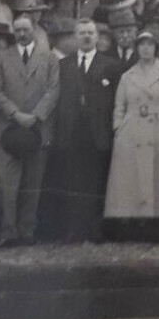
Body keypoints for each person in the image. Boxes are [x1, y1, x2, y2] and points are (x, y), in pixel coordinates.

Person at [105, 31, 159, 234]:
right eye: (141, 45)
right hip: (133, 131)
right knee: (134, 177)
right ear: (136, 48)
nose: (145, 48)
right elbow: (119, 104)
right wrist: (119, 125)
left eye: (150, 44)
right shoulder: (127, 76)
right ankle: (137, 222)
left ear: (156, 48)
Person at [0, 14, 61, 246]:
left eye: (25, 29)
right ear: (13, 32)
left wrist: (35, 115)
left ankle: (27, 232)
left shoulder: (49, 58)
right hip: (8, 129)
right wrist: (15, 114)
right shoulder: (1, 58)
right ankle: (8, 233)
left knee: (33, 184)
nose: (21, 34)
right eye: (17, 30)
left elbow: (54, 90)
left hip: (37, 129)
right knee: (6, 186)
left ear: (33, 30)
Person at [51, 20, 121, 243]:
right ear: (75, 37)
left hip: (98, 133)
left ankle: (95, 229)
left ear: (98, 37)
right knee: (73, 182)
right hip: (71, 133)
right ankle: (74, 230)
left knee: (96, 183)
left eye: (91, 33)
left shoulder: (110, 65)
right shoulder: (63, 66)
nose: (87, 37)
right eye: (82, 33)